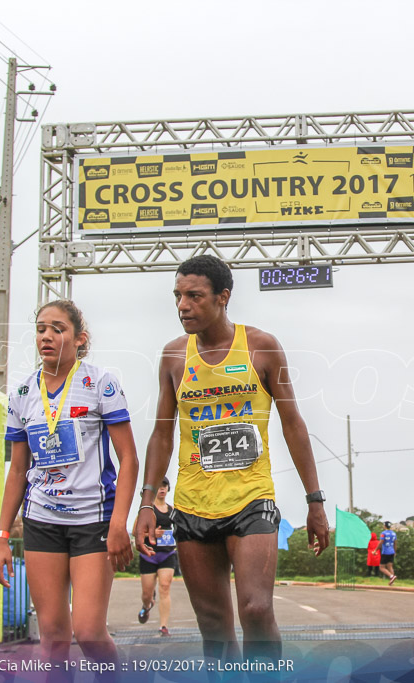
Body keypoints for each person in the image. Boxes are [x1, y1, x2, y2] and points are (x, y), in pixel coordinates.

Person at [134, 254, 330, 662]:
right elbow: (161, 433)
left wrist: (315, 501)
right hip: (192, 505)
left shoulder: (261, 347)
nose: (182, 306)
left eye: (194, 296)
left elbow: (293, 424)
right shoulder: (174, 356)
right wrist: (148, 501)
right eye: (177, 296)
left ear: (223, 297)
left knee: (256, 611)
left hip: (251, 499)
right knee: (215, 627)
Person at [0, 300, 138, 678]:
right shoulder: (23, 392)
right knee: (54, 639)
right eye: (41, 328)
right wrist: (1, 535)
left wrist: (120, 522)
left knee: (89, 632)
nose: (47, 336)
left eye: (58, 329)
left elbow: (129, 460)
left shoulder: (100, 383)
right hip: (42, 520)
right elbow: (18, 469)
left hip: (94, 520)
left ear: (79, 338)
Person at [136, 476, 176, 636]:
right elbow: (135, 531)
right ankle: (147, 605)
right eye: (159, 485)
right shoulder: (148, 509)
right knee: (147, 593)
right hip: (149, 555)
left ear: (168, 488)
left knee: (165, 587)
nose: (162, 489)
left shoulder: (172, 510)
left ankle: (163, 626)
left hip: (167, 554)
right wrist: (152, 533)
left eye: (164, 485)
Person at [379, 521, 397, 585]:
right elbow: (395, 543)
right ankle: (392, 582)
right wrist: (395, 551)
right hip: (392, 551)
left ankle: (391, 576)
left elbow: (381, 542)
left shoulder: (383, 533)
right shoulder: (393, 533)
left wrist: (375, 550)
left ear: (385, 526)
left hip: (385, 552)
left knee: (382, 567)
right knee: (390, 566)